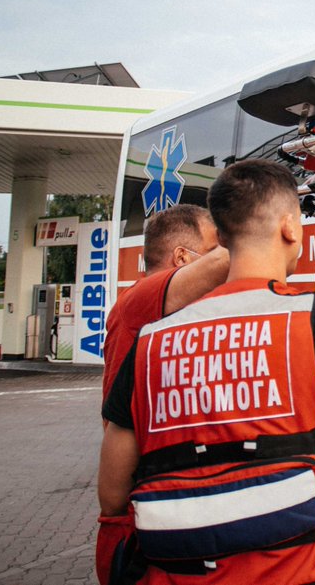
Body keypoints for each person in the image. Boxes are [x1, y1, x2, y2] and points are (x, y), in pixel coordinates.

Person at [98, 160, 315, 584]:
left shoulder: (150, 342)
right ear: (291, 229)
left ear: (221, 238)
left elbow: (112, 497)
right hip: (308, 573)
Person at [96, 204, 230, 585]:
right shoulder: (141, 297)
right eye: (213, 246)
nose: (222, 253)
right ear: (183, 258)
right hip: (135, 526)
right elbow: (233, 257)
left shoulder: (173, 316)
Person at [100, 204, 229, 400]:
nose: (216, 260)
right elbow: (228, 258)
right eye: (212, 251)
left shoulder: (184, 308)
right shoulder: (137, 299)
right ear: (181, 257)